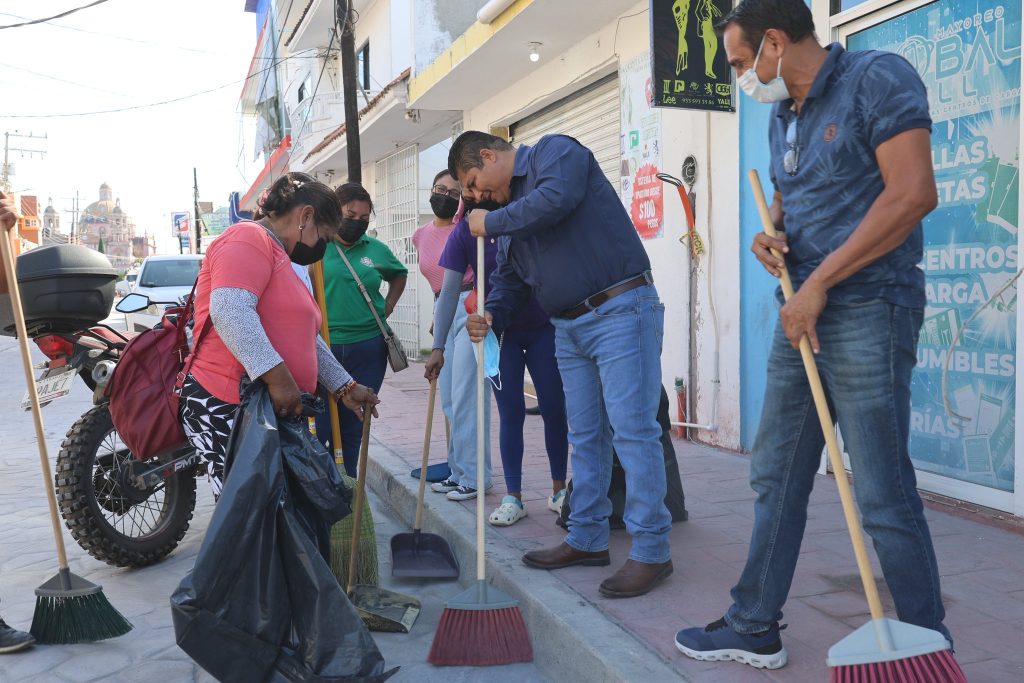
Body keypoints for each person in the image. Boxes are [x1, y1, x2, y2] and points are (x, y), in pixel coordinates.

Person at [674, 0, 950, 669]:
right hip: (800, 308)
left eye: (741, 61)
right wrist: (771, 236)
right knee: (776, 473)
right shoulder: (783, 114)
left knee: (880, 489)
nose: (740, 76)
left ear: (774, 42)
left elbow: (913, 193)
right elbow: (791, 202)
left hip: (869, 307)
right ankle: (754, 622)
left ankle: (925, 644)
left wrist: (821, 280)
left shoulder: (877, 78)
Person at [455, 131, 673, 598]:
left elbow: (556, 200)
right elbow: (509, 283)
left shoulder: (554, 154)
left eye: (472, 183)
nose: (475, 197)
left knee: (633, 432)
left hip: (619, 310)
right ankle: (588, 537)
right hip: (568, 327)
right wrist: (491, 315)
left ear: (489, 156)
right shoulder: (507, 220)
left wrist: (489, 224)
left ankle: (652, 550)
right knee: (587, 435)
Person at [179, 172, 379, 500]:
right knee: (249, 513)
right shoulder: (247, 238)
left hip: (259, 406)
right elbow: (230, 310)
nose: (323, 247)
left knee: (273, 512)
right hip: (229, 403)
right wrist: (281, 380)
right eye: (324, 237)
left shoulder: (277, 254)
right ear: (306, 216)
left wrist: (344, 386)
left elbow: (304, 336)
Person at [426, 202, 568, 516]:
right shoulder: (464, 231)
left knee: (554, 408)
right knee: (510, 413)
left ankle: (559, 491)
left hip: (544, 327)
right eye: (470, 187)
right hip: (501, 332)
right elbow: (449, 292)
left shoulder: (523, 216)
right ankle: (513, 498)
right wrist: (438, 347)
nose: (478, 193)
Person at [314, 183, 407, 477]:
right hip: (324, 348)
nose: (357, 221)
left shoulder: (375, 249)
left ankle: (349, 486)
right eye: (350, 215)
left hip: (369, 348)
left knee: (355, 424)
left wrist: (388, 307)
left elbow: (399, 274)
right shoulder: (317, 245)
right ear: (335, 212)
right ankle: (322, 488)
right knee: (320, 427)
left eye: (364, 217)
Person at [411, 171, 477, 488]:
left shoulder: (467, 228)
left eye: (454, 193)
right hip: (445, 308)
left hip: (470, 304)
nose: (446, 196)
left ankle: (474, 476)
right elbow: (437, 282)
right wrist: (438, 316)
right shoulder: (419, 235)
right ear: (431, 190)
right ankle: (457, 470)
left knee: (466, 396)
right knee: (449, 397)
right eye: (440, 189)